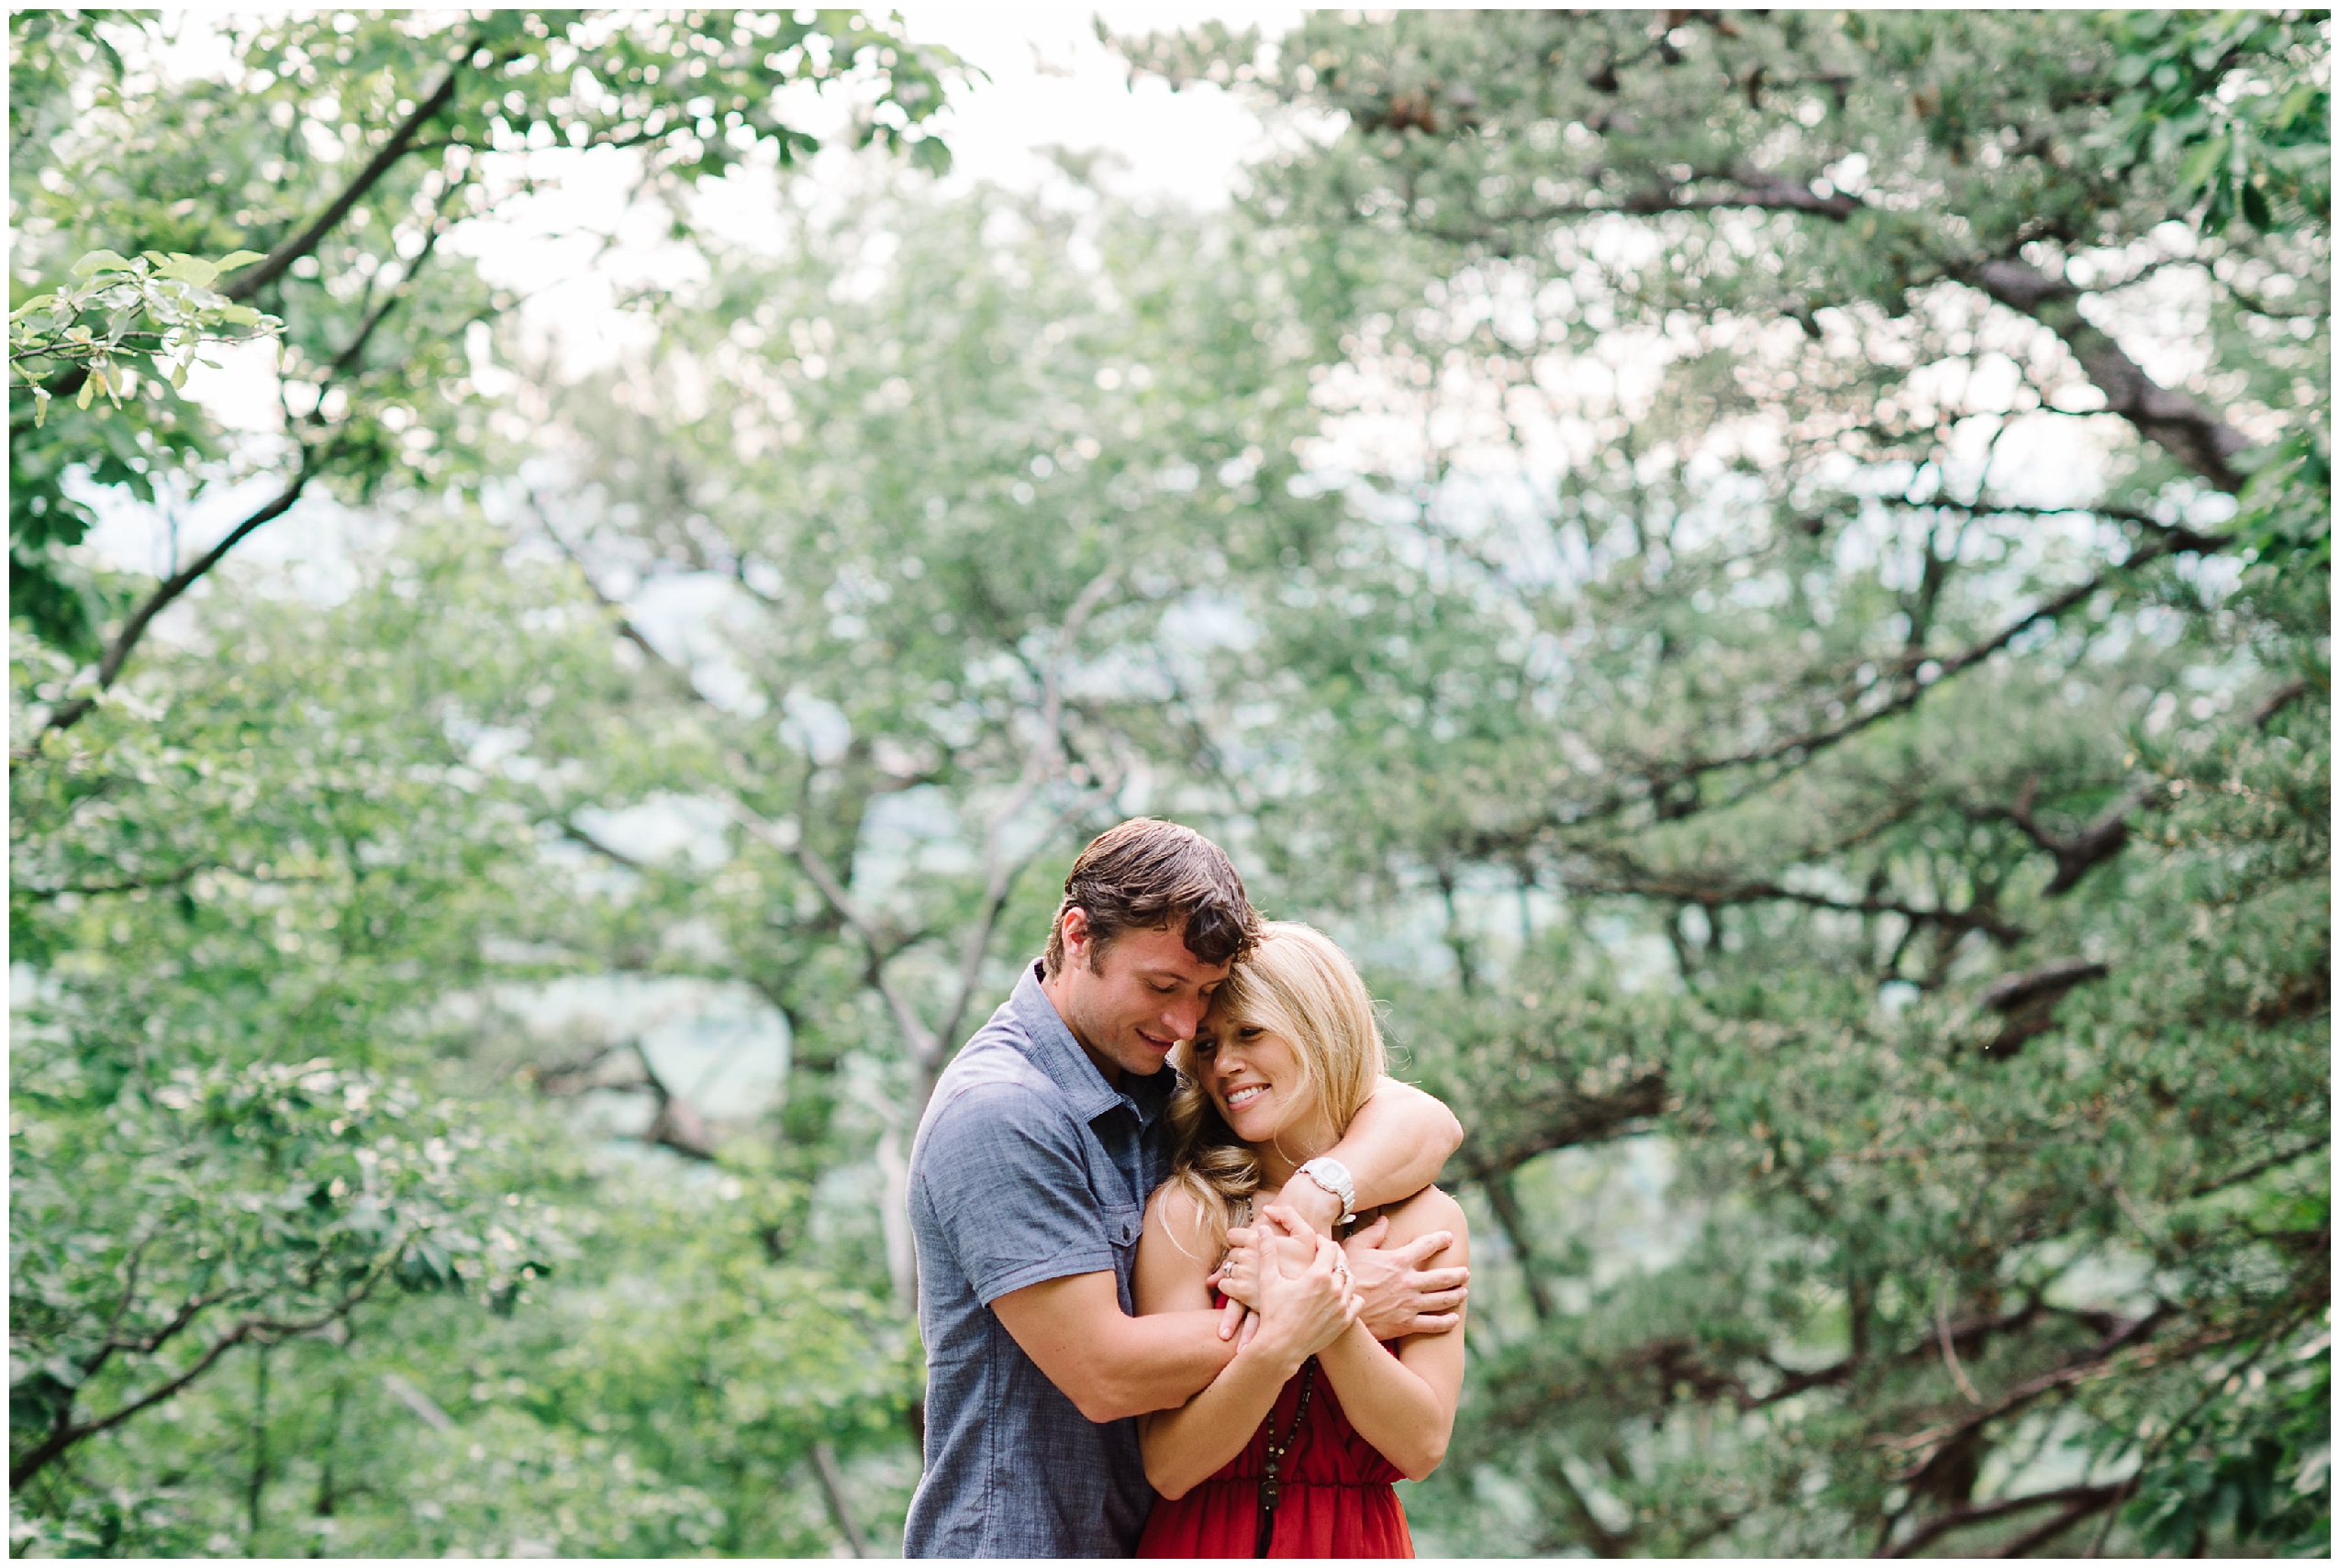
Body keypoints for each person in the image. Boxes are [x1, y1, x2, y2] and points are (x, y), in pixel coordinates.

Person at [903, 819, 1470, 1558]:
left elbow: (1422, 1117)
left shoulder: (1153, 1086)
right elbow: (1107, 1372)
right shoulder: (1003, 1111)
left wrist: (1317, 1193)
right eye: (1162, 987)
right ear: (1078, 936)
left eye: (1200, 996)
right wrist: (1333, 1297)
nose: (1182, 1025)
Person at [1132, 921, 1469, 1558]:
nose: (1225, 1064)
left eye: (1249, 1032)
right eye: (1205, 1045)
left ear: (1319, 1027)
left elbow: (1422, 1444)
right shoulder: (1191, 1209)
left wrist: (1328, 1311)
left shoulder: (1427, 1219)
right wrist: (1284, 1339)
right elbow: (1169, 1465)